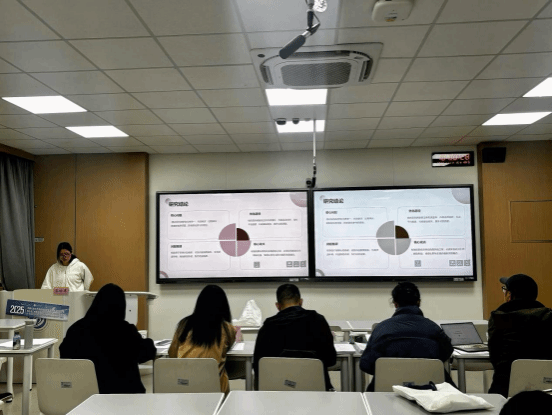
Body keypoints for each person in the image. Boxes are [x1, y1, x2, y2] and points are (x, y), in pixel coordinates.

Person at [59, 283, 156, 394]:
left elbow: (64, 355)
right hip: (125, 397)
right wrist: (149, 342)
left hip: (86, 397)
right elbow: (146, 353)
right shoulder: (125, 330)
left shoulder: (76, 329)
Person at [360, 282, 454, 391]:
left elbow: (366, 365)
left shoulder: (381, 328)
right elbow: (446, 353)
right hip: (430, 391)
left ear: (395, 304)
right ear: (419, 302)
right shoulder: (433, 328)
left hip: (386, 391)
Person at [253, 284, 337, 391]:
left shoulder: (267, 327)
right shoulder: (318, 320)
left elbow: (258, 366)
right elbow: (331, 360)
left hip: (277, 391)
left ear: (277, 306)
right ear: (301, 302)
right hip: (315, 390)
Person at [488, 274, 552, 397]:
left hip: (504, 387)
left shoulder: (498, 318)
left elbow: (495, 356)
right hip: (546, 387)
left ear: (510, 295)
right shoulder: (548, 316)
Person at [168, 285, 236, 394]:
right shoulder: (227, 328)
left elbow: (172, 354)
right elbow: (228, 346)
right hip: (215, 390)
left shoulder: (184, 324)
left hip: (184, 387)